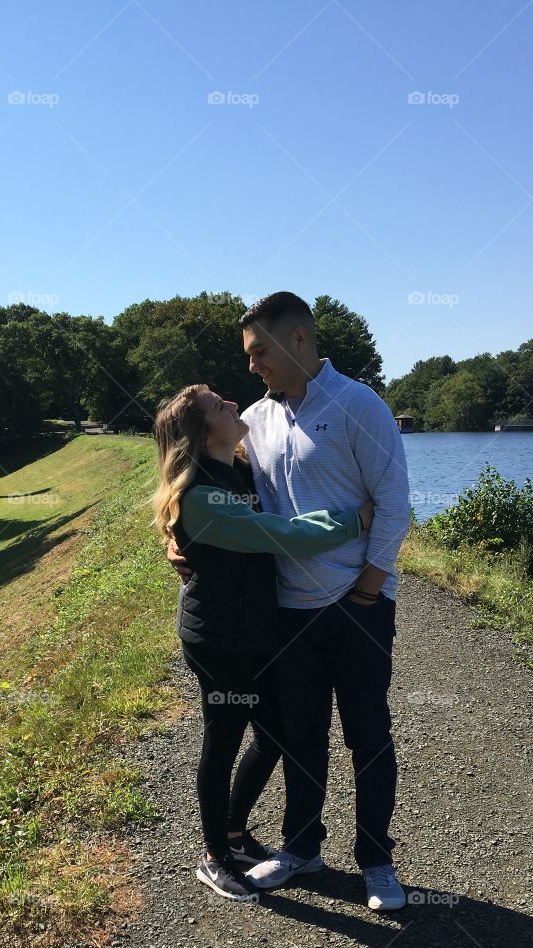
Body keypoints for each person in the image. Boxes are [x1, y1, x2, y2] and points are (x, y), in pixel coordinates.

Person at [168, 293, 411, 910]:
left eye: (258, 353)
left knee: (368, 736)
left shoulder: (359, 405)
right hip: (286, 615)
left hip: (356, 607)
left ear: (298, 339)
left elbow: (394, 501)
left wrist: (368, 589)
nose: (251, 368)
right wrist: (177, 533)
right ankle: (302, 849)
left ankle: (377, 863)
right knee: (301, 737)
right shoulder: (257, 421)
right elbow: (209, 488)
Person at [152, 383, 374, 904]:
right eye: (218, 404)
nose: (233, 402)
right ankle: (215, 857)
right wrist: (357, 519)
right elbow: (283, 533)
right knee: (223, 739)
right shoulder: (204, 496)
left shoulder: (238, 468)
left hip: (254, 632)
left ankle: (232, 830)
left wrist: (173, 540)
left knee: (274, 734)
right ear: (203, 432)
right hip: (219, 639)